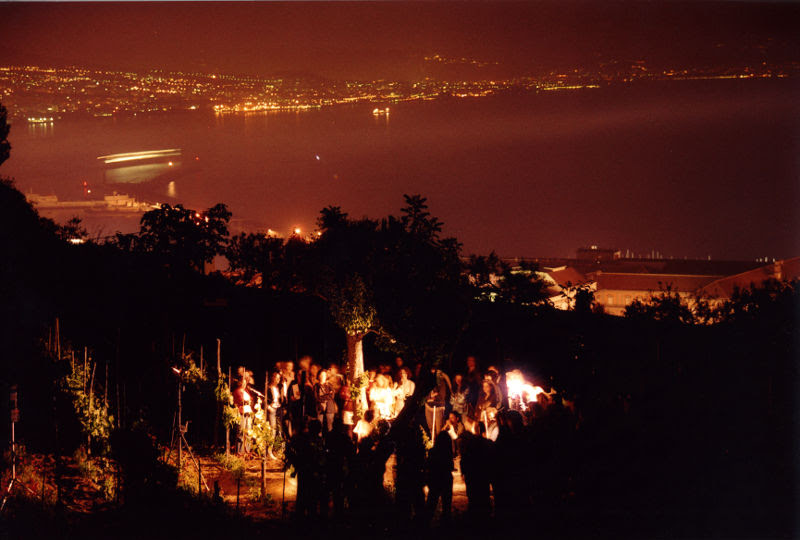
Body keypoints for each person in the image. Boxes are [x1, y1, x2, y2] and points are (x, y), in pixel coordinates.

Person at [425, 430, 455, 524]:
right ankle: (445, 523)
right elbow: (450, 466)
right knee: (446, 504)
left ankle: (426, 523)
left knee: (431, 502)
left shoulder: (432, 451)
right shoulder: (448, 453)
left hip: (435, 479)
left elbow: (428, 465)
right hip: (446, 479)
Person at [232, 378, 253, 454]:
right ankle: (239, 451)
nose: (244, 384)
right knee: (241, 432)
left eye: (245, 383)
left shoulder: (245, 391)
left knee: (248, 432)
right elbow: (239, 401)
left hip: (248, 412)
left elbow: (250, 399)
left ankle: (247, 450)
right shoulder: (237, 391)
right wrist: (246, 402)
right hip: (241, 413)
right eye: (243, 383)